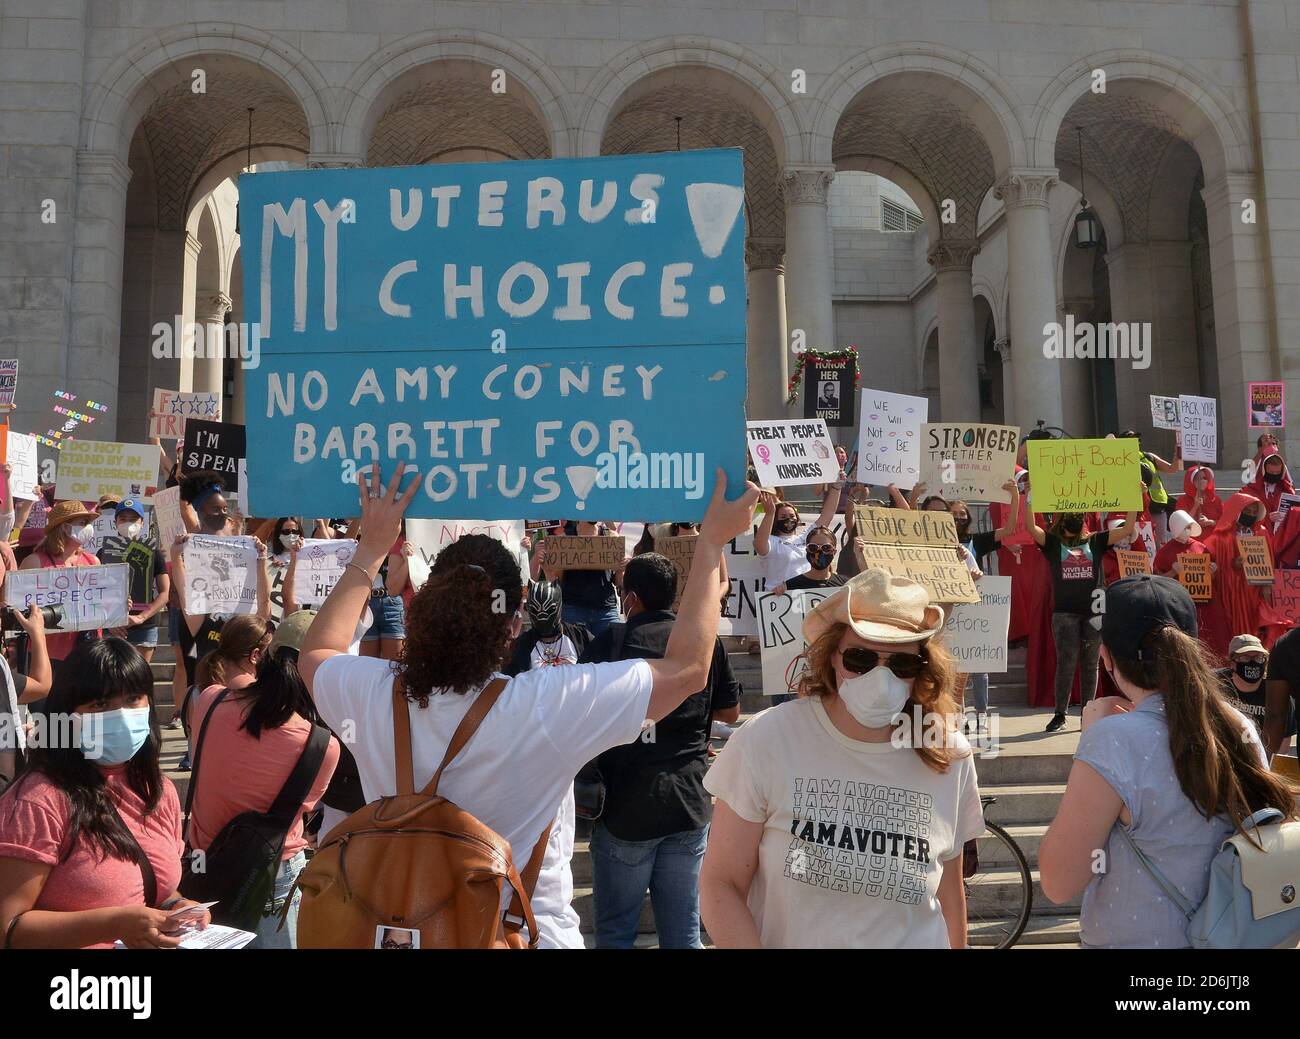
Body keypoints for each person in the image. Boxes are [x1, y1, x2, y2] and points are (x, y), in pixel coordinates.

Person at [299, 463, 758, 948]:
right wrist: (710, 546)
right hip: (527, 935)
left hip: (406, 933)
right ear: (514, 624)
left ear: (419, 608)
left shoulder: (371, 692)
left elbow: (316, 653)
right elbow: (688, 670)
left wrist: (370, 548)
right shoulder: (546, 703)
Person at [700, 567, 982, 948]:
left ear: (921, 671)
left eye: (902, 665)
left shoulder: (949, 755)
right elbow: (722, 883)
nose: (881, 678)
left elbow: (949, 895)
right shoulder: (768, 739)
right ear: (833, 656)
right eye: (861, 658)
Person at [1039, 575, 1294, 948]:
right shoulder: (1239, 725)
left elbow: (1059, 881)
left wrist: (1091, 739)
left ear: (1107, 657)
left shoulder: (1114, 740)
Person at [0, 638, 212, 948]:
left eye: (133, 698)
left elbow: (157, 890)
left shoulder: (159, 790)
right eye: (100, 704)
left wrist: (175, 908)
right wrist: (114, 924)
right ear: (68, 714)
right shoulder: (38, 799)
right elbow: (8, 929)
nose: (122, 715)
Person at [578, 552, 740, 949]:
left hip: (626, 810)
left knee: (616, 933)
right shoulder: (705, 642)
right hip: (689, 803)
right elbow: (731, 712)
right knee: (684, 935)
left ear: (630, 598)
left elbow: (578, 715)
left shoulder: (610, 643)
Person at [186, 612, 340, 948]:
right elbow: (299, 815)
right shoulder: (321, 745)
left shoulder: (209, 700)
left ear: (264, 657)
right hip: (269, 878)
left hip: (202, 867)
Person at [1030, 508, 1136, 732]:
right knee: (1066, 664)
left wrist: (1134, 502)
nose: (1075, 521)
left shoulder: (1097, 541)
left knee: (1090, 665)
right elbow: (1032, 528)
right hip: (1065, 614)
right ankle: (1060, 714)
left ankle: (1087, 715)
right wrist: (1028, 500)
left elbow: (1127, 528)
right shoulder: (1053, 543)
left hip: (1094, 612)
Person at [1199, 492, 1287, 657]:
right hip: (1232, 591)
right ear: (1236, 511)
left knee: (1258, 622)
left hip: (1255, 590)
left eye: (1255, 513)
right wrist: (1233, 564)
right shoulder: (1221, 537)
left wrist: (1267, 586)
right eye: (1247, 512)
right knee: (1233, 623)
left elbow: (1268, 560)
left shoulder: (1261, 532)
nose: (1251, 516)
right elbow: (1211, 562)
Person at [18, 500, 101, 666]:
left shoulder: (93, 561)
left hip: (87, 649)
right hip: (48, 652)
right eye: (82, 523)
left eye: (87, 523)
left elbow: (100, 603)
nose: (88, 528)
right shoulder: (35, 562)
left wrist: (118, 605)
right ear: (64, 527)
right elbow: (20, 608)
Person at [97, 499, 169, 664]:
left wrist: (142, 617)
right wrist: (109, 622)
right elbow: (95, 592)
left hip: (145, 626)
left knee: (140, 680)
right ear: (115, 522)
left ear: (142, 522)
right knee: (111, 679)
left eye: (133, 519)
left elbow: (164, 593)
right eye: (123, 519)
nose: (128, 523)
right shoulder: (103, 552)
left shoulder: (154, 552)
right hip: (113, 627)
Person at [532, 519, 624, 638]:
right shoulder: (563, 539)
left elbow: (618, 582)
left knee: (612, 652)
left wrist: (621, 569)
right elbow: (557, 582)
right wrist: (547, 569)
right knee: (577, 655)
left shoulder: (611, 537)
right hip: (573, 610)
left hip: (605, 610)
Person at [1215, 634, 1290, 753]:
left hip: (1259, 759)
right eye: (1245, 657)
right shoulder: (1214, 683)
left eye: (1259, 658)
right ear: (1232, 662)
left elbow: (1283, 745)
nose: (1253, 662)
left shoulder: (1276, 691)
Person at [754, 486, 839, 589]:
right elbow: (759, 544)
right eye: (783, 517)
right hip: (780, 597)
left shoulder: (806, 537)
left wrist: (836, 487)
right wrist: (769, 514)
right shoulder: (771, 541)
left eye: (792, 516)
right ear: (775, 520)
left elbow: (828, 513)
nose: (788, 519)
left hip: (807, 593)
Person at [504, 580, 592, 675]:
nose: (542, 616)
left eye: (549, 609)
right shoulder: (522, 645)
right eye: (535, 610)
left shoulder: (580, 636)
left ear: (559, 606)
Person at [1245, 448, 1295, 524]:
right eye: (1271, 472)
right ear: (1264, 471)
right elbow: (1243, 515)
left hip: (1280, 533)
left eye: (1277, 472)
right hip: (1260, 533)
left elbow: (1294, 516)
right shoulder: (1251, 490)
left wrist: (1286, 517)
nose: (1274, 475)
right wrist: (1267, 519)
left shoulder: (1287, 490)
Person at [1173, 466, 1221, 535]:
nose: (1202, 481)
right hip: (1193, 540)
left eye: (1205, 478)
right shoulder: (1182, 500)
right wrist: (1195, 506)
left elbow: (1224, 521)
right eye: (1198, 478)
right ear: (1191, 480)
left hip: (1213, 539)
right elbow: (1182, 525)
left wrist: (1211, 522)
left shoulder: (1216, 499)